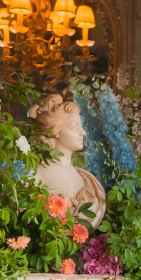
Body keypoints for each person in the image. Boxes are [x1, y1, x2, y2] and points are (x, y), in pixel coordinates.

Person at [27, 93, 107, 225]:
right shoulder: (34, 175)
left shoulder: (88, 180)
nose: (83, 132)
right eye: (74, 125)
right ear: (55, 130)